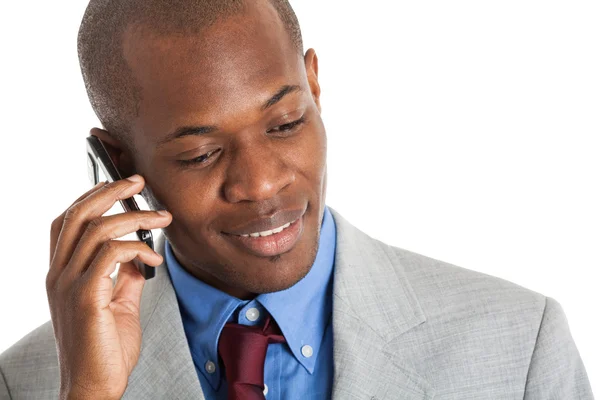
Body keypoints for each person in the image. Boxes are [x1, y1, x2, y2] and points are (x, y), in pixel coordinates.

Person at [0, 0, 594, 399]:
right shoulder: (23, 382)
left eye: (284, 123)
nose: (260, 184)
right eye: (200, 154)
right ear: (119, 163)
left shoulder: (520, 348)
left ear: (314, 85)